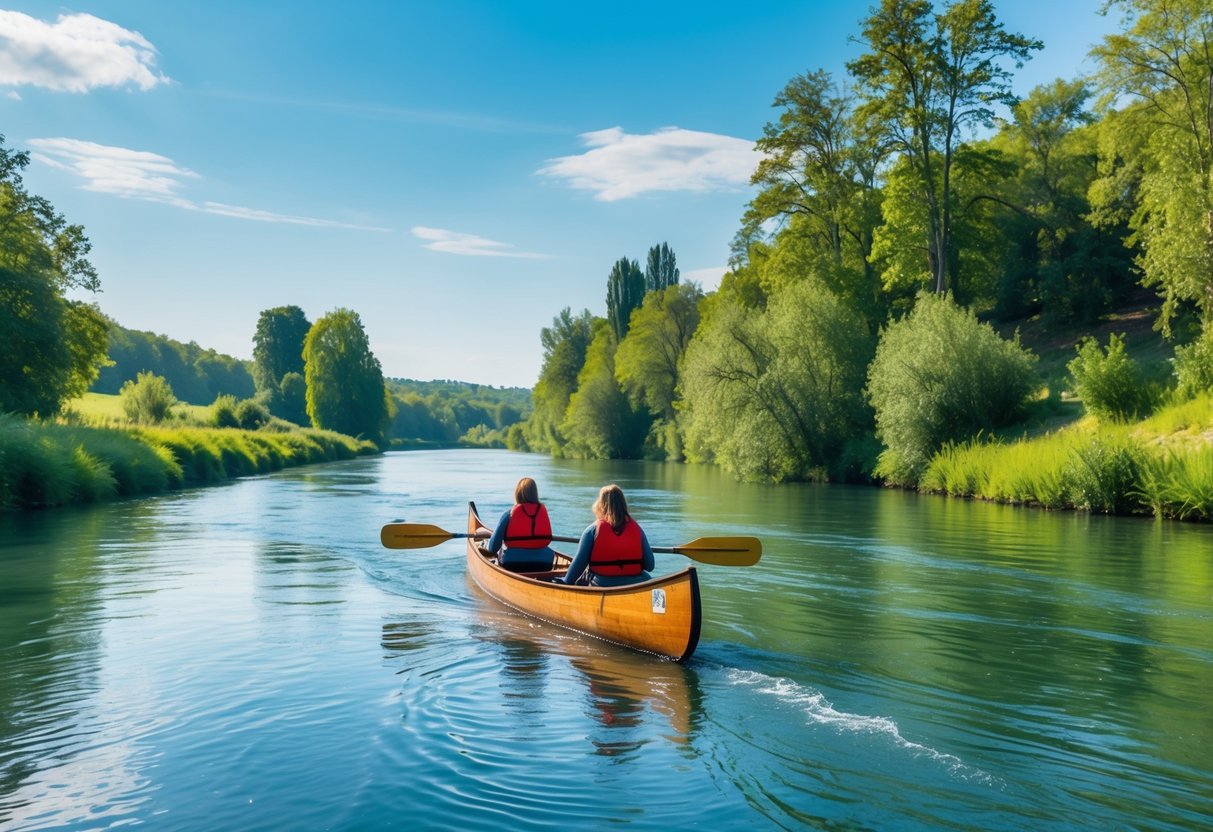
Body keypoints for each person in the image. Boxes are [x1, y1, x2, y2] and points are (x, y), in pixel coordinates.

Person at [561, 484, 654, 587]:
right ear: (623, 504)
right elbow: (650, 566)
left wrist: (563, 581)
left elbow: (574, 573)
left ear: (601, 505)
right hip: (638, 583)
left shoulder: (591, 531)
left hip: (603, 585)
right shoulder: (637, 529)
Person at [486, 477, 555, 572]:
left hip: (513, 565)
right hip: (544, 564)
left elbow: (492, 548)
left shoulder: (508, 514)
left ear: (517, 494)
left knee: (501, 550)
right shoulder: (542, 512)